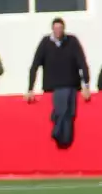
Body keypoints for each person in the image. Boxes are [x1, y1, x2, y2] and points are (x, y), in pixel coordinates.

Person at [26, 18, 91, 148]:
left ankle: (60, 132)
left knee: (67, 111)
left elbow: (82, 63)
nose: (58, 31)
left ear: (64, 29)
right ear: (52, 29)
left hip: (71, 86)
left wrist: (86, 85)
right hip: (51, 89)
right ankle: (59, 132)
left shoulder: (72, 41)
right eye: (56, 28)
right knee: (61, 111)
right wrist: (30, 89)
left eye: (60, 28)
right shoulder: (45, 43)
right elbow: (35, 65)